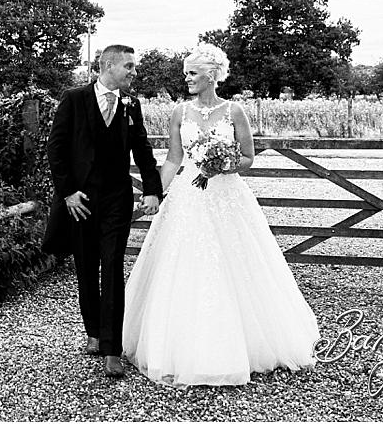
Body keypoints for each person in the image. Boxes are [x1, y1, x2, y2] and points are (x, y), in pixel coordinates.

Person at [122, 42, 320, 386]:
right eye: (185, 73)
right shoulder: (179, 112)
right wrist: (155, 191)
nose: (187, 79)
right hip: (189, 197)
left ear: (212, 76)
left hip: (227, 197)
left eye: (193, 73)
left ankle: (244, 345)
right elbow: (173, 159)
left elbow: (248, 158)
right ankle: (186, 347)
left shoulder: (235, 111)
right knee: (185, 265)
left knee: (238, 265)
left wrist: (222, 165)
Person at [43, 44, 163, 377]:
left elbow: (142, 148)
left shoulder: (132, 104)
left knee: (111, 267)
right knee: (86, 268)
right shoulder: (74, 98)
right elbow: (56, 150)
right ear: (108, 66)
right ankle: (93, 332)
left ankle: (113, 349)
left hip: (116, 201)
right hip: (80, 201)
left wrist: (153, 190)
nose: (133, 72)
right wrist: (68, 194)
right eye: (129, 66)